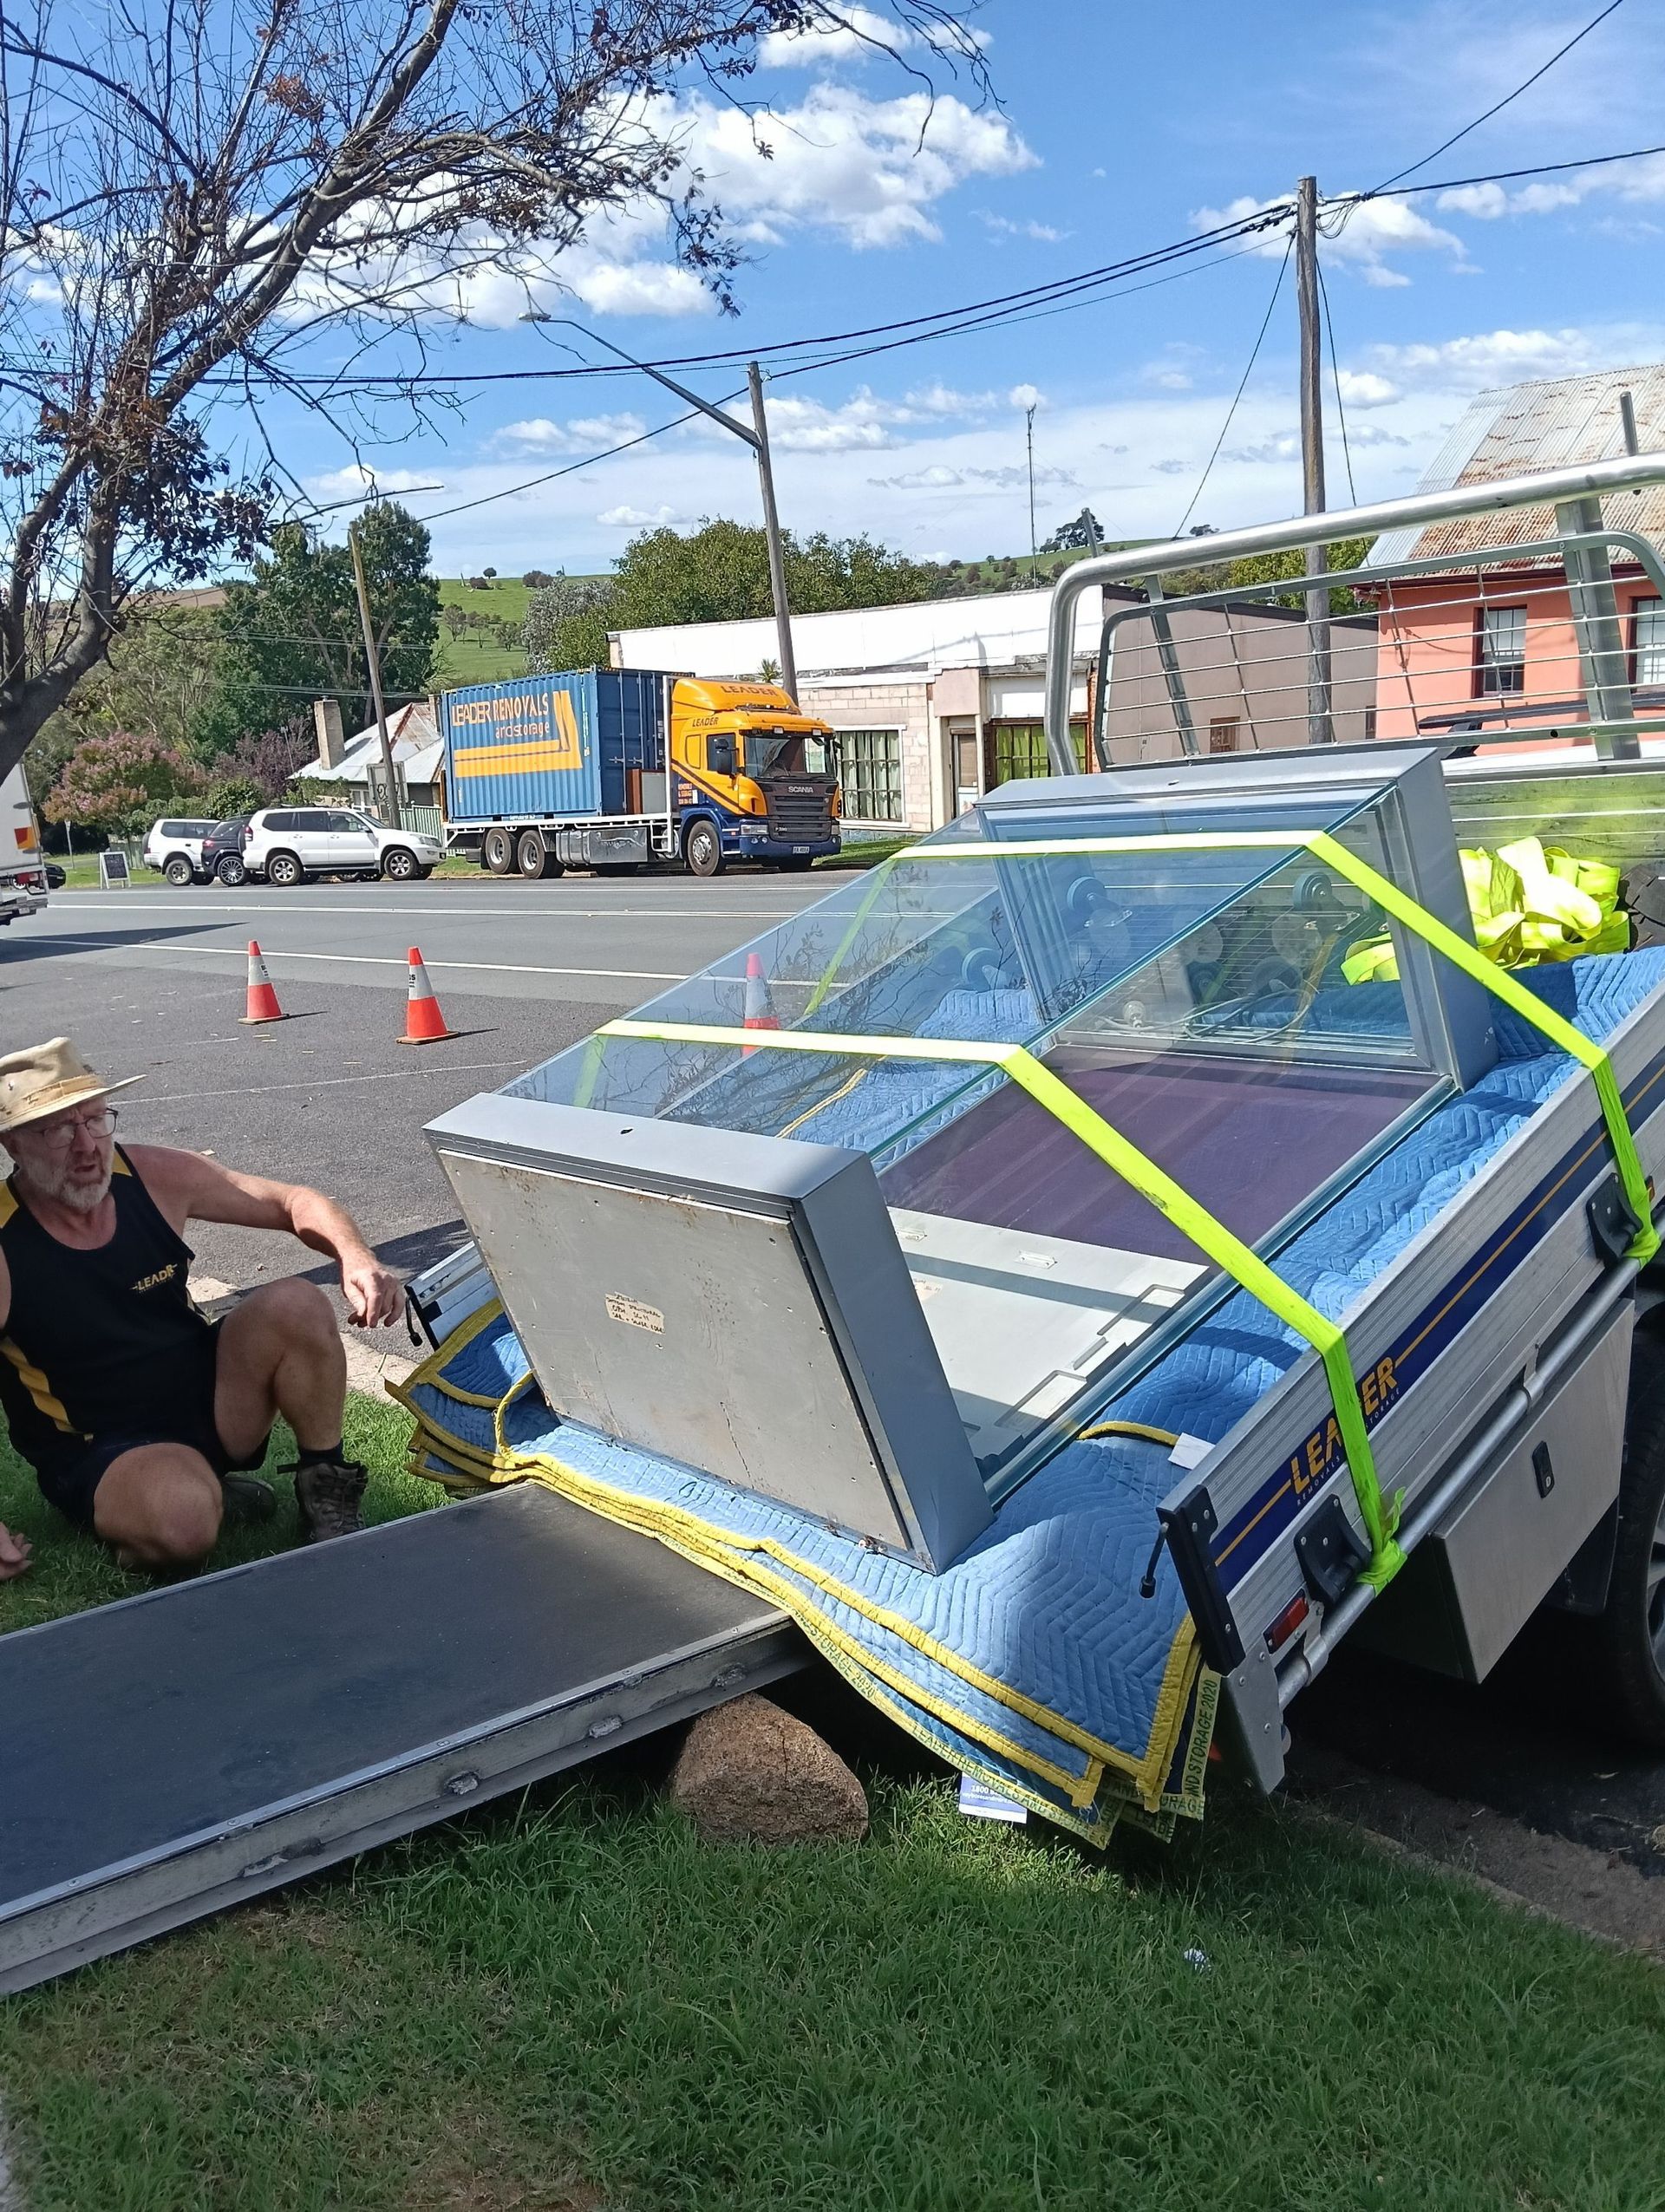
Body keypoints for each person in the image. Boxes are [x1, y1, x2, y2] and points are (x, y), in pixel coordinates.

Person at [0, 1036, 402, 1578]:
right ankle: (172, 1501)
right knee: (183, 1527)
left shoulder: (152, 1176)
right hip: (102, 1446)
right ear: (14, 1145)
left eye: (95, 1120)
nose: (86, 1147)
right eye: (56, 1130)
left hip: (211, 1403)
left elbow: (294, 1201)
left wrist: (356, 1258)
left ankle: (324, 1487)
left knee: (296, 1302)